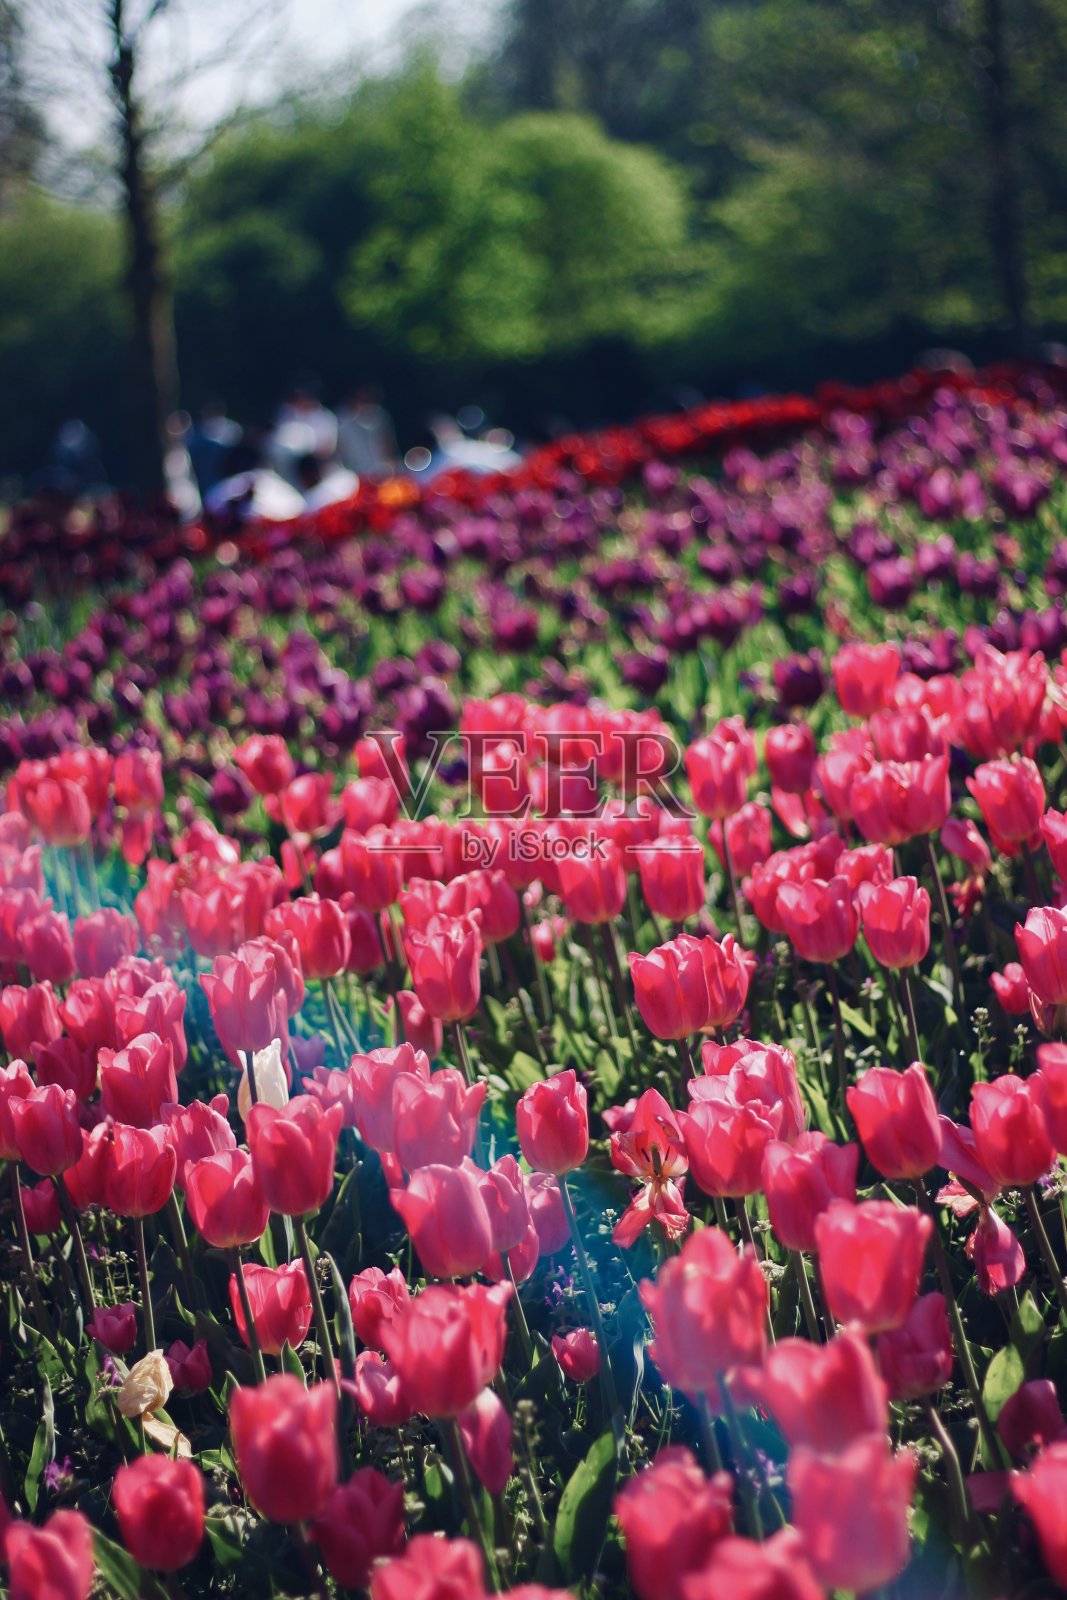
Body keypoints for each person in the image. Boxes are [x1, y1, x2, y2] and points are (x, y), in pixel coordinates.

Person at [337, 387, 397, 477]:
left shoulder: (381, 417)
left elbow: (388, 446)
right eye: (363, 400)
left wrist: (389, 466)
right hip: (354, 473)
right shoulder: (343, 421)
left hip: (380, 472)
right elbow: (341, 450)